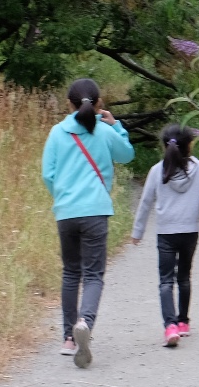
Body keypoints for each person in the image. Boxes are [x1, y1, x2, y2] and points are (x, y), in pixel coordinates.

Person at [41, 78, 133, 368]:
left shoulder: (57, 133)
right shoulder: (105, 132)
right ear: (99, 104)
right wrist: (116, 125)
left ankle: (69, 338)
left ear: (69, 104)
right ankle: (85, 322)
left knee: (71, 273)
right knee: (93, 274)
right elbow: (127, 155)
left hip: (66, 211)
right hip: (95, 211)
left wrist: (63, 197)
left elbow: (48, 174)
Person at [130, 123, 199, 348]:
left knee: (165, 281)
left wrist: (138, 231)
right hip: (190, 232)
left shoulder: (156, 171)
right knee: (185, 277)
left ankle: (169, 326)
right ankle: (183, 323)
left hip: (166, 233)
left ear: (164, 146)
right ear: (189, 145)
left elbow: (145, 203)